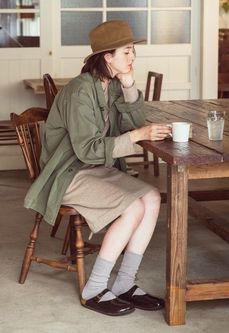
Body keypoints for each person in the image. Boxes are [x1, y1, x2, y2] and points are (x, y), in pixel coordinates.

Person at [24, 20, 171, 316]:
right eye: (127, 52)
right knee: (133, 208)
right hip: (68, 173)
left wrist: (130, 87)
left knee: (152, 198)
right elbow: (89, 149)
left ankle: (125, 284)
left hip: (95, 167)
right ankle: (95, 289)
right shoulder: (80, 91)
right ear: (107, 56)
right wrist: (138, 135)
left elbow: (134, 124)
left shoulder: (112, 85)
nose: (133, 58)